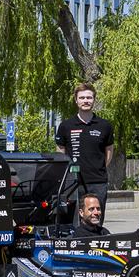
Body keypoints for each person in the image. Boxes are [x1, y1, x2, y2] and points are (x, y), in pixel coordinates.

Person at [55, 83, 114, 221]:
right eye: (82, 98)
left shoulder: (105, 126)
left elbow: (109, 150)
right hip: (73, 182)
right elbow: (60, 152)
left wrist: (99, 168)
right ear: (76, 100)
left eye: (89, 97)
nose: (86, 101)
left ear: (94, 100)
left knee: (96, 220)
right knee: (74, 221)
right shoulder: (66, 126)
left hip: (98, 182)